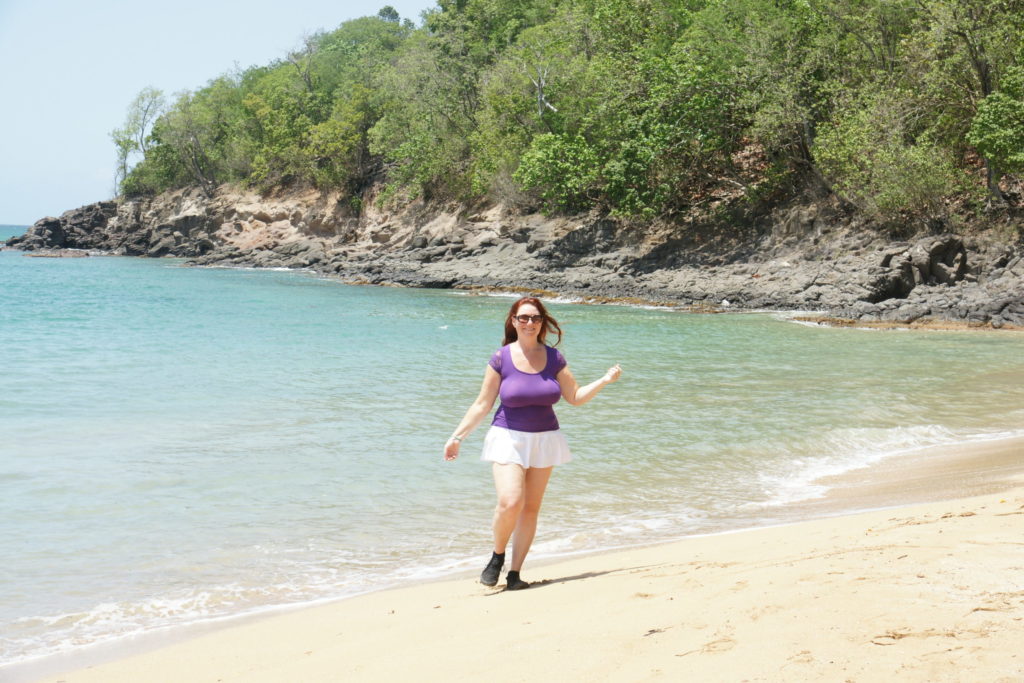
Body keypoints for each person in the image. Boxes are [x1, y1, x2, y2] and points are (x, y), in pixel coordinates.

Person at [444, 296, 621, 590]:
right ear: (514, 321)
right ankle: (497, 556)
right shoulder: (501, 358)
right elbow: (482, 404)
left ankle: (515, 574)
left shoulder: (554, 359)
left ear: (543, 323)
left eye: (535, 318)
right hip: (507, 437)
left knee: (530, 509)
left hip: (545, 439)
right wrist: (457, 437)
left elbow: (575, 397)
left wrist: (604, 380)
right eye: (523, 318)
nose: (529, 323)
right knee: (510, 501)